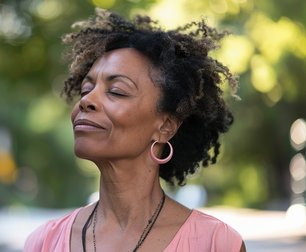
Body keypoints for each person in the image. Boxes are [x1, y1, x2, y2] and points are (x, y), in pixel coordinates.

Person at [24, 8, 245, 252]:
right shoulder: (44, 243)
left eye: (117, 91)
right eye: (86, 89)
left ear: (165, 127)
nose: (86, 101)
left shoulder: (216, 244)